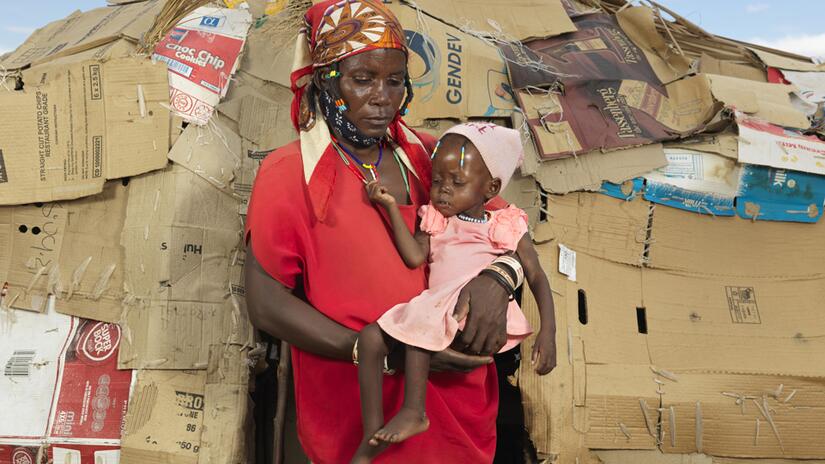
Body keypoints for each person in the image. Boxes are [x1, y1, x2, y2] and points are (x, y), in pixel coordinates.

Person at [244, 1, 531, 462]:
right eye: (362, 79)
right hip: (360, 415)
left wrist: (499, 279)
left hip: (458, 413)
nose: (382, 97)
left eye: (394, 80)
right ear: (326, 80)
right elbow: (266, 303)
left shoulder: (434, 158)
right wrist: (386, 352)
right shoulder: (287, 175)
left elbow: (512, 233)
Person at [352, 123, 557, 463]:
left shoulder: (504, 223)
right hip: (438, 308)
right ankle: (372, 436)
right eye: (436, 181)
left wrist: (547, 332)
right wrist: (389, 207)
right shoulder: (435, 219)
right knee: (371, 339)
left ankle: (414, 410)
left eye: (457, 183)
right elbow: (414, 256)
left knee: (422, 324)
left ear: (490, 187)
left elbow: (535, 274)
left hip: (473, 314)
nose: (442, 191)